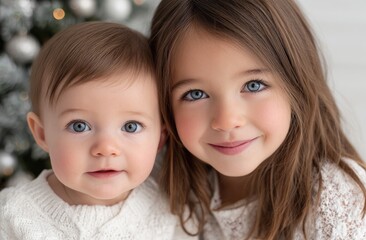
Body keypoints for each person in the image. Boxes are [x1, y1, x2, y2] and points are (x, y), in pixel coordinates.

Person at [149, 0, 366, 239]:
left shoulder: (335, 197)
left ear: (296, 83)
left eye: (253, 86)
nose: (227, 120)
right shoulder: (164, 182)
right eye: (196, 94)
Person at [0, 21, 196, 239]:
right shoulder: (12, 214)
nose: (106, 148)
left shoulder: (169, 206)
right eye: (79, 126)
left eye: (131, 127)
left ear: (160, 136)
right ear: (42, 134)